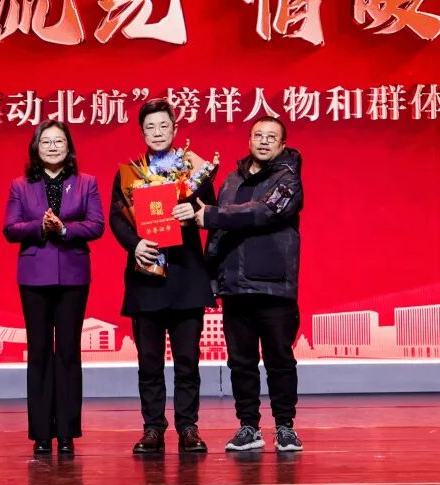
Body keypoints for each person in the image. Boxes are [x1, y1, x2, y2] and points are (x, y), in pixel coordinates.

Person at [109, 98, 215, 454]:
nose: (157, 132)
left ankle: (188, 427)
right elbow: (116, 218)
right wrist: (135, 244)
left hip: (186, 277)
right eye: (150, 127)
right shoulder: (130, 174)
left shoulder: (194, 169)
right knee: (149, 363)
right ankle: (153, 428)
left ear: (175, 129)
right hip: (147, 277)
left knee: (187, 361)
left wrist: (193, 211)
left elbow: (212, 212)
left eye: (163, 126)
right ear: (142, 133)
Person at [195, 116, 304, 452]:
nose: (264, 141)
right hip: (235, 288)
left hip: (273, 288)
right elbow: (218, 234)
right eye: (258, 135)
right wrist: (211, 277)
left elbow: (263, 212)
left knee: (279, 360)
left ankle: (285, 427)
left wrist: (212, 215)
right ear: (249, 139)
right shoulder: (231, 180)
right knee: (240, 362)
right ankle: (248, 427)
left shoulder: (288, 178)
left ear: (282, 144)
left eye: (272, 136)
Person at [3, 120, 105, 456]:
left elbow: (96, 225)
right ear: (36, 147)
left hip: (73, 276)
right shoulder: (21, 186)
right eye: (45, 141)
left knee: (69, 353)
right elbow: (10, 228)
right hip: (34, 277)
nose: (52, 147)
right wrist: (41, 227)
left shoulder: (86, 182)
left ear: (68, 146)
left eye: (58, 141)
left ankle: (67, 433)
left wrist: (63, 230)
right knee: (39, 352)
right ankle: (42, 433)